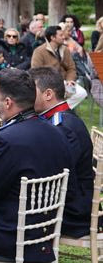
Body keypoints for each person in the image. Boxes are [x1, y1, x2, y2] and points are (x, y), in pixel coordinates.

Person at [0, 68, 71, 263]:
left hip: (12, 239)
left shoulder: (6, 139)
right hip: (44, 235)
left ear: (8, 102)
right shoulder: (56, 131)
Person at [31, 67, 94, 238]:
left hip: (73, 212)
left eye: (31, 91)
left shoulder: (62, 126)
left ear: (48, 94)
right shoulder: (58, 119)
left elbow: (57, 174)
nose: (25, 96)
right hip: (66, 201)